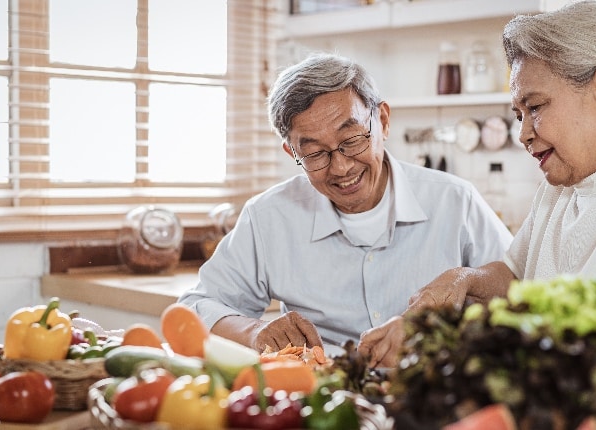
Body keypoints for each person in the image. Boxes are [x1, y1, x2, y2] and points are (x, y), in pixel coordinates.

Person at [359, 0, 596, 367]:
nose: (523, 134)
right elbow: (516, 279)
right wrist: (463, 279)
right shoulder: (560, 188)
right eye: (518, 114)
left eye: (535, 107)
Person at [178, 52, 513, 355]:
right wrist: (254, 331)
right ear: (292, 153)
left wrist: (460, 288)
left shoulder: (455, 201)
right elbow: (195, 306)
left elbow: (521, 289)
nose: (341, 167)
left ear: (382, 121)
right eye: (314, 153)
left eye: (351, 140)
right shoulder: (269, 217)